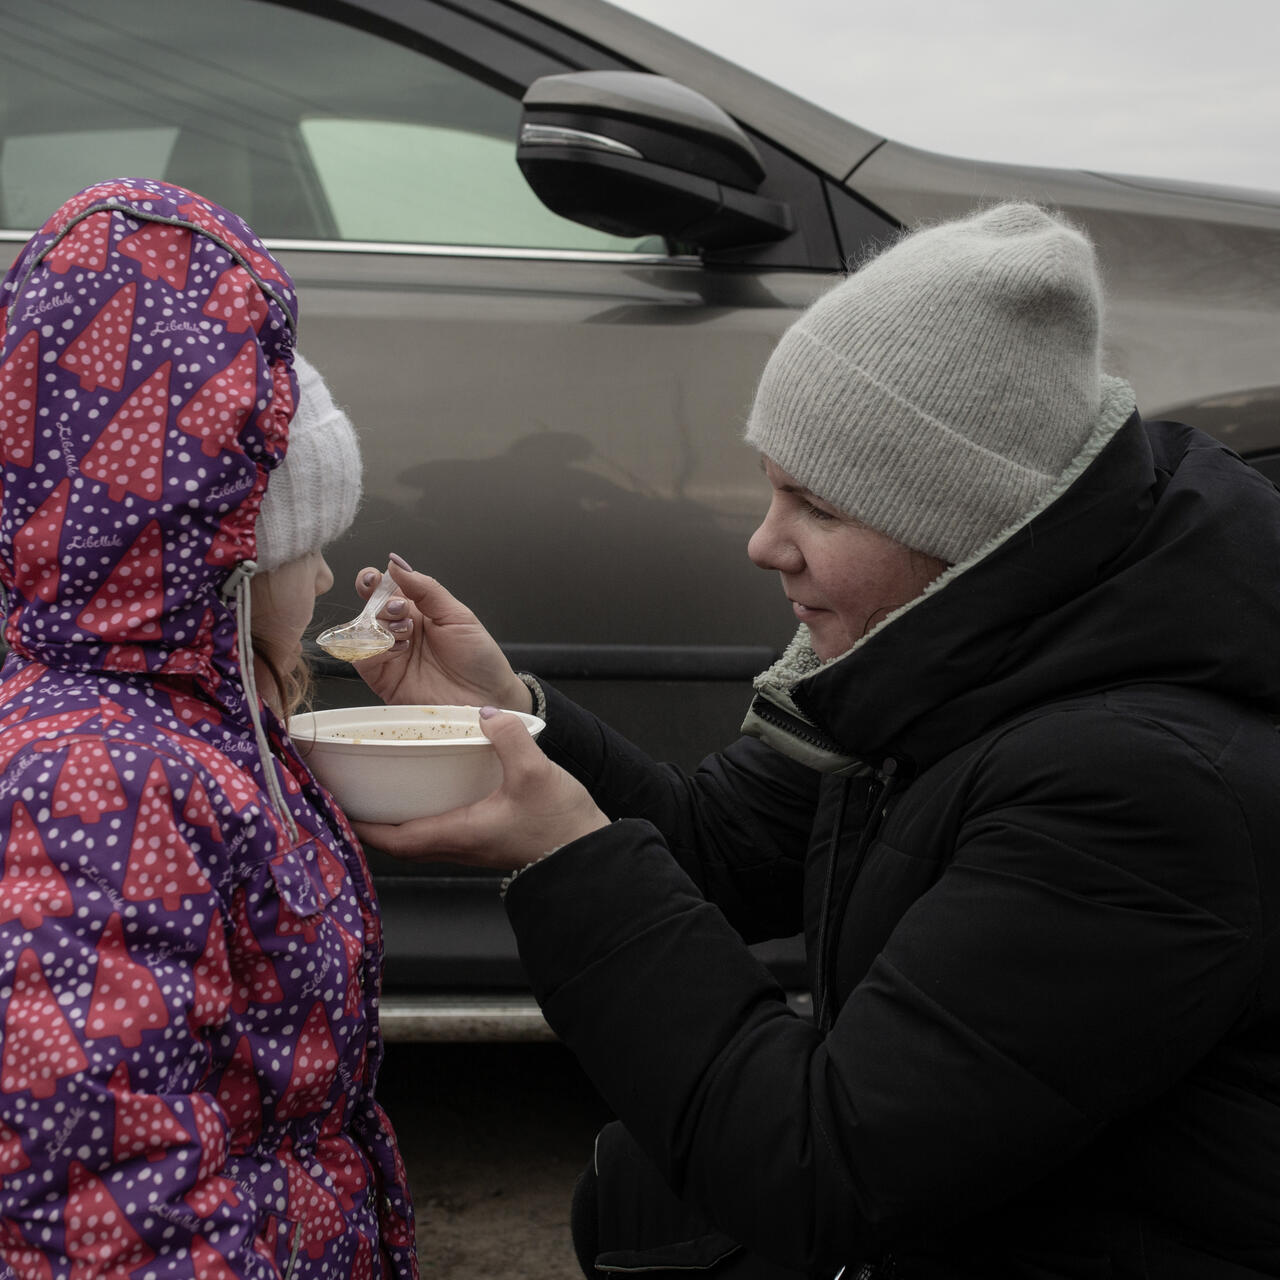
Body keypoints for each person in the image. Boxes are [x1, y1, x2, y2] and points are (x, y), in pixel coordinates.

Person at [351, 202, 1280, 1277]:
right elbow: (715, 848)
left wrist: (566, 854)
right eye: (767, 485)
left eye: (816, 506)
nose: (762, 542)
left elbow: (817, 1169)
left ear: (966, 522)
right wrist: (510, 710)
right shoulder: (946, 668)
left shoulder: (1139, 793)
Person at [0, 179, 417, 1279]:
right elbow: (105, 1188)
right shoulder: (93, 779)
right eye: (307, 547)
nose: (328, 574)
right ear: (220, 551)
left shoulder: (201, 734)